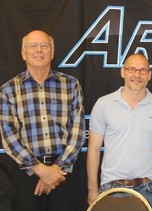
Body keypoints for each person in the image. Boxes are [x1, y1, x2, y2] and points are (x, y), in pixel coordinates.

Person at [0, 30, 86, 211]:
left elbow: (77, 131)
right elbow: (9, 135)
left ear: (52, 52)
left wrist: (56, 171)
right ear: (24, 53)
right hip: (26, 176)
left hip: (63, 175)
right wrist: (39, 169)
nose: (39, 50)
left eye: (44, 45)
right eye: (33, 46)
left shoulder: (71, 85)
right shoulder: (8, 90)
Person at [86, 54, 152, 211]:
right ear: (123, 72)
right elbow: (93, 149)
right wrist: (92, 189)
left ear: (149, 75)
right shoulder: (103, 104)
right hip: (111, 188)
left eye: (142, 70)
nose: (137, 75)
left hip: (149, 189)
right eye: (132, 69)